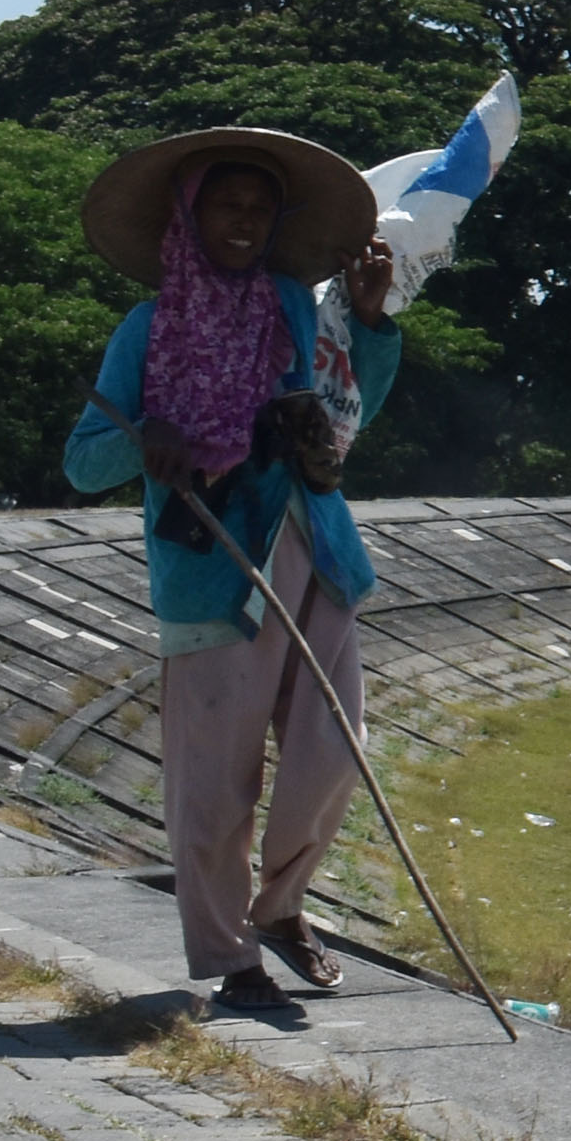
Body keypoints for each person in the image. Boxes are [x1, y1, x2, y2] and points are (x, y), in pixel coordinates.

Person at [64, 128, 397, 1017]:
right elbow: (84, 462)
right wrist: (149, 439)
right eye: (226, 204)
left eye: (259, 207)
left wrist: (369, 327)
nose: (244, 221)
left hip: (316, 553)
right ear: (190, 214)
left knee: (334, 753)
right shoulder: (147, 328)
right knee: (213, 785)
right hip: (214, 568)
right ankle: (231, 954)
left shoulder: (293, 306)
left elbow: (348, 414)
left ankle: (281, 904)